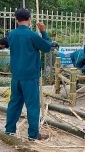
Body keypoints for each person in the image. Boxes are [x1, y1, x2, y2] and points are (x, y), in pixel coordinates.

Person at [5, 8, 51, 141]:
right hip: (30, 75)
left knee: (14, 102)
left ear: (16, 20)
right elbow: (47, 47)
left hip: (16, 75)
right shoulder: (32, 35)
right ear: (29, 19)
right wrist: (43, 31)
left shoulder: (12, 35)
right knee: (32, 105)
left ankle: (9, 130)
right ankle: (33, 134)